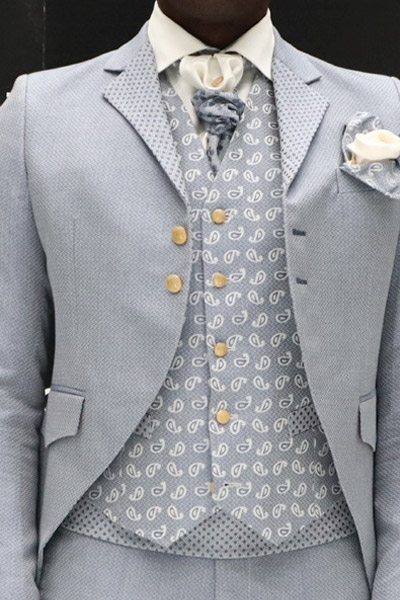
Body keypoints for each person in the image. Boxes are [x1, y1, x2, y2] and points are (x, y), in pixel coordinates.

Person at [1, 0, 400, 598]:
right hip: (99, 564)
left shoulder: (381, 108)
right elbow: (8, 387)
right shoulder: (41, 114)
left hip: (324, 566)